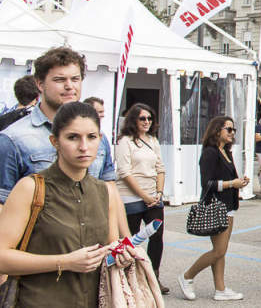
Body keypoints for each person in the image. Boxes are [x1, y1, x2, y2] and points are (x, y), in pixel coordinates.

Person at [0, 101, 136, 307]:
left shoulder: (105, 191)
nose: (83, 147)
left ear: (100, 140)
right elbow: (2, 257)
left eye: (91, 137)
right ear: (55, 141)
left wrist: (121, 257)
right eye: (73, 137)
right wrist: (65, 262)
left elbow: (110, 250)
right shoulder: (30, 188)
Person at [0, 48, 121, 229]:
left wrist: (125, 241)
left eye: (75, 79)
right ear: (40, 84)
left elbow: (110, 194)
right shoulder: (13, 139)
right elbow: (3, 204)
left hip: (93, 247)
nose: (69, 86)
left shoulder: (94, 135)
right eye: (60, 80)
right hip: (40, 251)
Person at [179, 116, 250, 301]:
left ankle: (220, 289)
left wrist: (239, 182)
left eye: (233, 130)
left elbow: (229, 178)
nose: (232, 133)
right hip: (216, 206)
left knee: (221, 250)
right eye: (228, 129)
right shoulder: (210, 152)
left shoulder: (226, 151)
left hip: (229, 206)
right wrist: (230, 184)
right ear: (217, 130)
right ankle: (187, 276)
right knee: (218, 250)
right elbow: (206, 183)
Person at [115, 102, 169, 294]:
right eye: (142, 118)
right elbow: (124, 172)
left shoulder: (153, 141)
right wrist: (144, 195)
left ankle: (153, 276)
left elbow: (161, 168)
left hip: (153, 195)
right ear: (133, 120)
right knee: (130, 239)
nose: (147, 121)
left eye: (149, 118)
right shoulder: (125, 142)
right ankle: (128, 277)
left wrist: (159, 193)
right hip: (131, 196)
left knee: (157, 237)